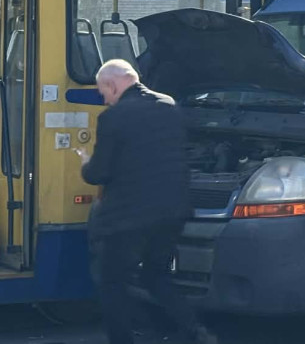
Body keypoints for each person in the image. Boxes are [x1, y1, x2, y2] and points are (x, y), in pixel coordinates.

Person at [76, 59, 215, 344]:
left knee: (112, 282)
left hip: (128, 217)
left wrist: (85, 163)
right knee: (156, 275)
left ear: (112, 85)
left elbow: (99, 173)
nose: (105, 100)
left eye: (103, 93)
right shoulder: (169, 105)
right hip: (172, 212)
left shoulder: (113, 117)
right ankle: (195, 331)